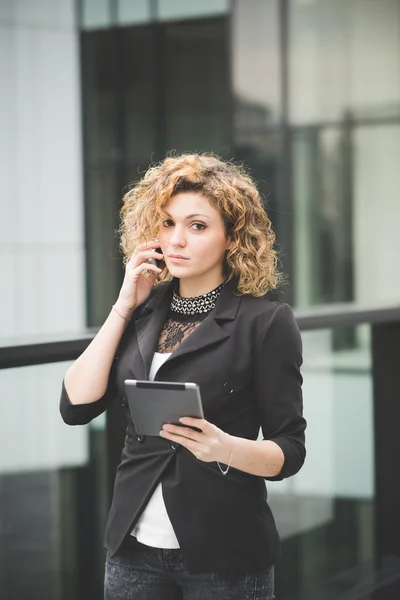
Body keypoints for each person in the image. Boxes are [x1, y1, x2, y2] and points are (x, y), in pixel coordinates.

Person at [60, 153, 306, 600]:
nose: (177, 240)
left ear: (232, 238)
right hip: (132, 548)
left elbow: (290, 450)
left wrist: (224, 447)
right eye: (167, 223)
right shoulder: (142, 312)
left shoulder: (265, 323)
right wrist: (124, 305)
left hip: (225, 553)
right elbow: (75, 406)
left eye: (197, 226)